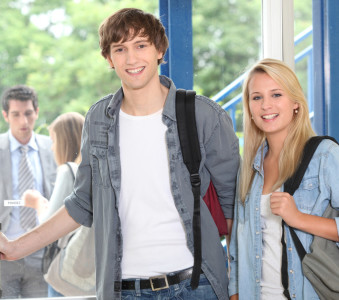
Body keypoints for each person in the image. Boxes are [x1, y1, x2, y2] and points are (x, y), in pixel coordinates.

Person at [0, 8, 240, 300]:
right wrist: (14, 248)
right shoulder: (99, 119)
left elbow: (235, 209)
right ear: (109, 59)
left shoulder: (202, 115)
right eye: (120, 49)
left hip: (195, 285)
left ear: (159, 49)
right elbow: (81, 204)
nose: (131, 58)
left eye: (141, 45)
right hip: (124, 290)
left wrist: (238, 286)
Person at [228, 58, 339, 300]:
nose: (266, 105)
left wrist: (298, 218)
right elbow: (237, 247)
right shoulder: (249, 168)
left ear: (296, 103)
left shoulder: (325, 155)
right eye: (257, 97)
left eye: (276, 94)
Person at [22, 111, 88, 297]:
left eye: (54, 140)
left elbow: (49, 227)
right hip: (88, 269)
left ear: (65, 141)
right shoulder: (88, 172)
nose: (52, 148)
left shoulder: (68, 171)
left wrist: (37, 204)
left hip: (65, 270)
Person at [0, 85, 57, 298]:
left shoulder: (51, 147)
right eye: (16, 114)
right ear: (6, 115)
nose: (23, 121)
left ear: (37, 112)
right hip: (4, 254)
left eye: (28, 113)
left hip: (41, 253)